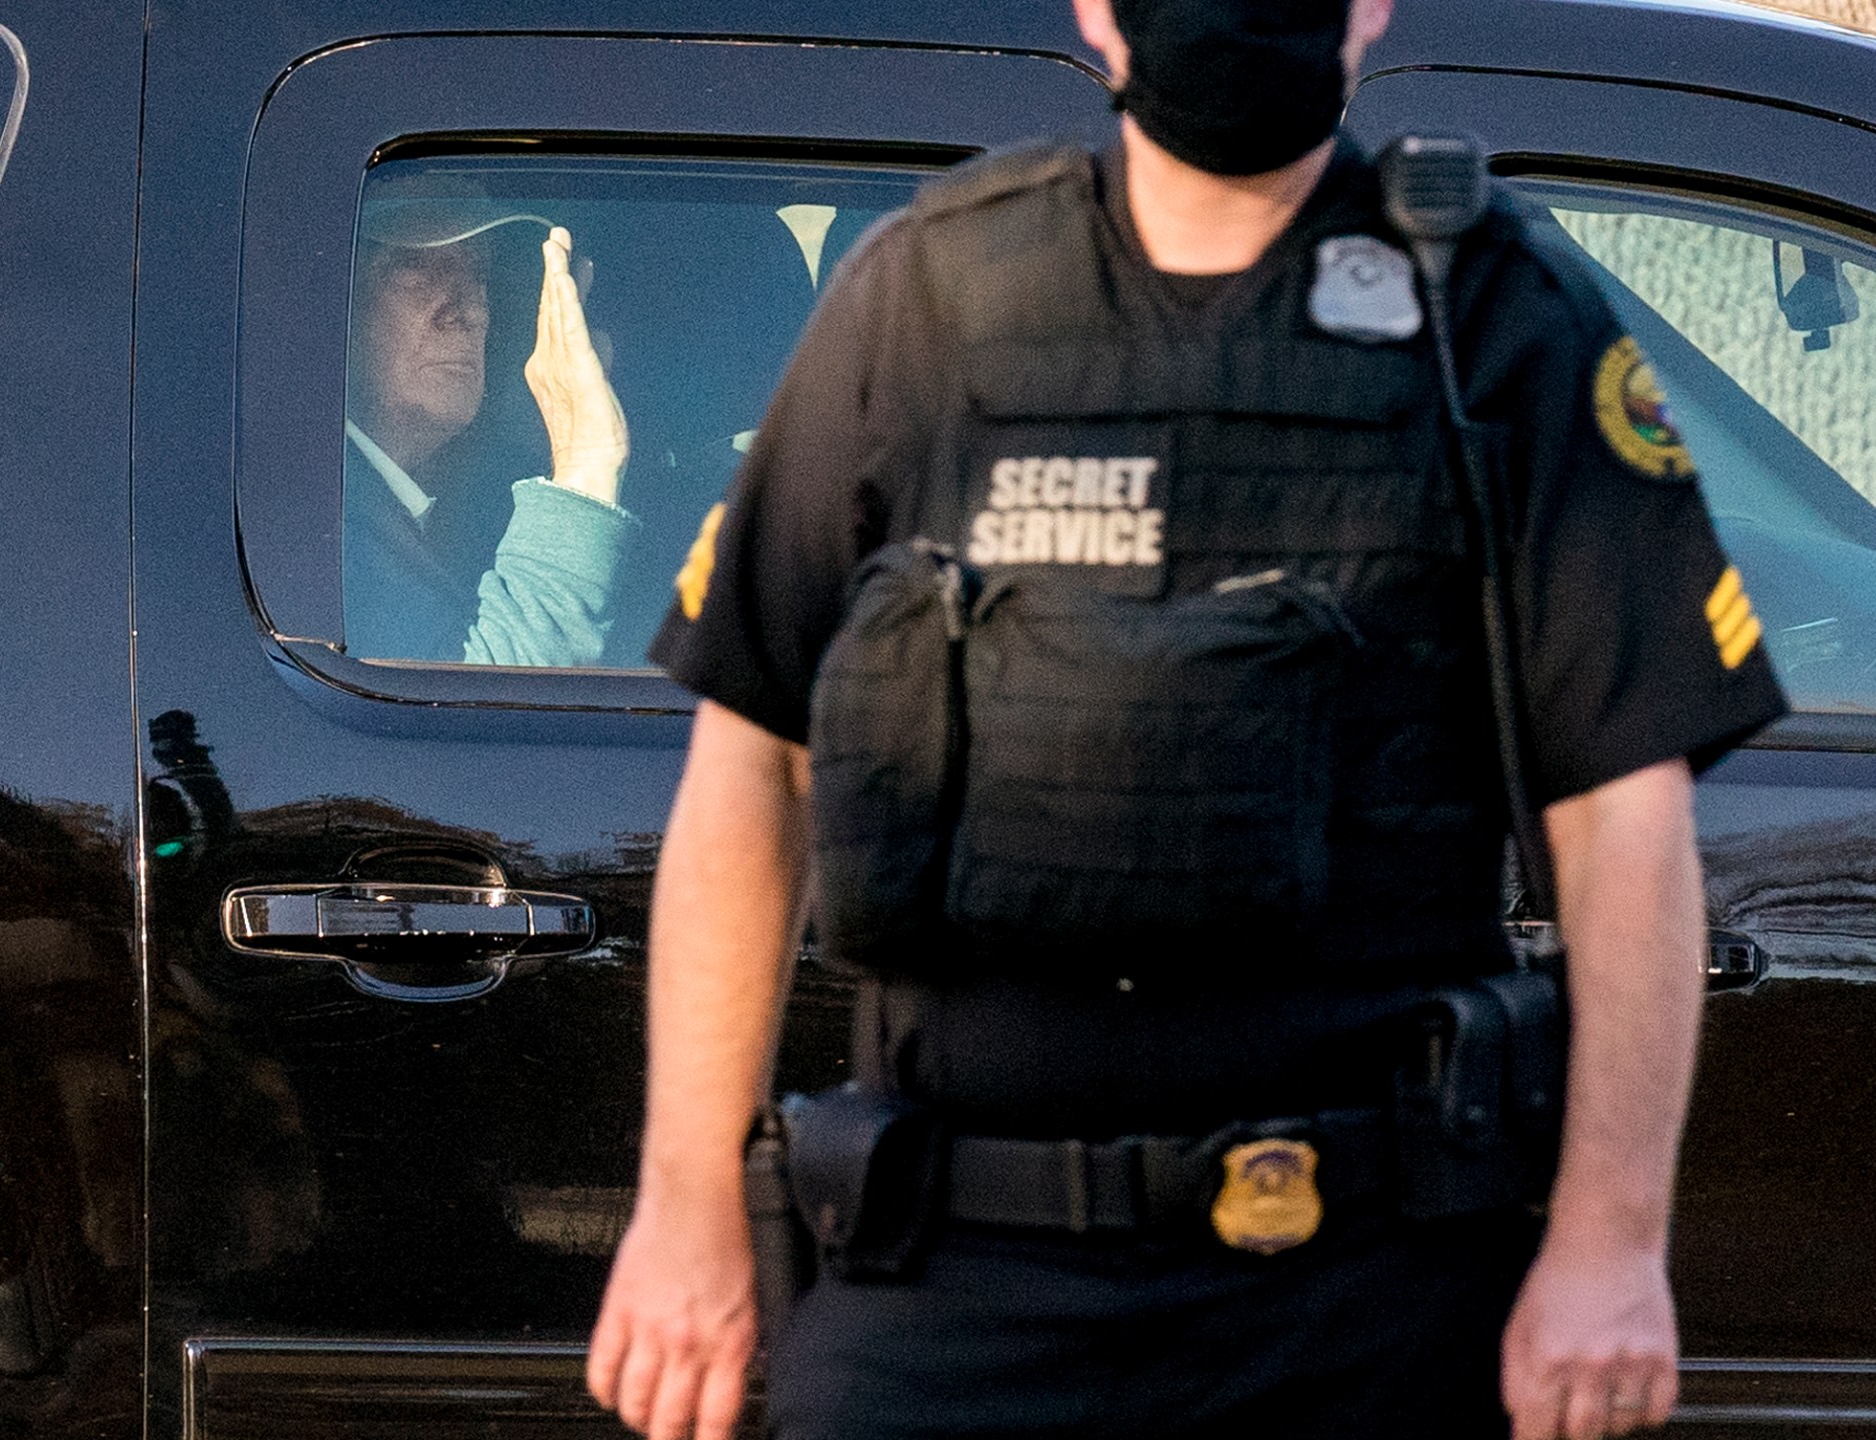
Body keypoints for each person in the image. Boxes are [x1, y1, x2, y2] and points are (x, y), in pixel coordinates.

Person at [587, 0, 1790, 1437]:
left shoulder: (1494, 317)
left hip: (1362, 1298)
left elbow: (1627, 819)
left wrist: (1610, 1242)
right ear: (1097, 7)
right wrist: (684, 1211)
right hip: (957, 1285)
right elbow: (749, 766)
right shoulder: (922, 300)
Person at [342, 204, 640, 667]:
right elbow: (464, 714)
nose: (469, 311)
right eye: (415, 267)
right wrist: (585, 456)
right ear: (336, 302)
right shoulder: (315, 521)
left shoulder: (454, 504)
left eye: (477, 273)